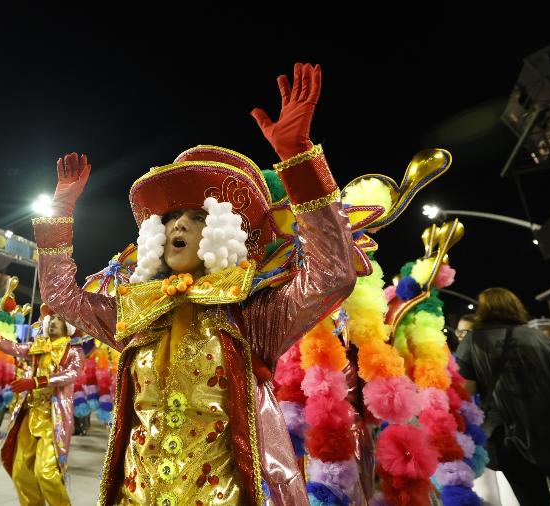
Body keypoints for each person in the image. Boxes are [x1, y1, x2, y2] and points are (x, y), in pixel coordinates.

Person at [30, 63, 355, 505]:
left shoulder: (252, 313)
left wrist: (298, 160)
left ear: (223, 231)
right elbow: (60, 297)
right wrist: (60, 212)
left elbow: (333, 274)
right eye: (171, 218)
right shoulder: (138, 311)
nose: (178, 225)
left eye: (197, 217)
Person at [456, 287, 550, 506]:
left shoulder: (472, 342)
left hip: (510, 438)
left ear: (483, 310)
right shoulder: (539, 336)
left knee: (533, 500)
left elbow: (465, 391)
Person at [0, 305, 85, 505]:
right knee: (21, 473)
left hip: (53, 418)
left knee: (46, 473)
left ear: (68, 326)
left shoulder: (74, 352)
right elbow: (16, 349)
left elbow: (72, 374)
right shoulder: (38, 346)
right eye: (50, 319)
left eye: (59, 319)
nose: (53, 322)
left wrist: (37, 382)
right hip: (29, 415)